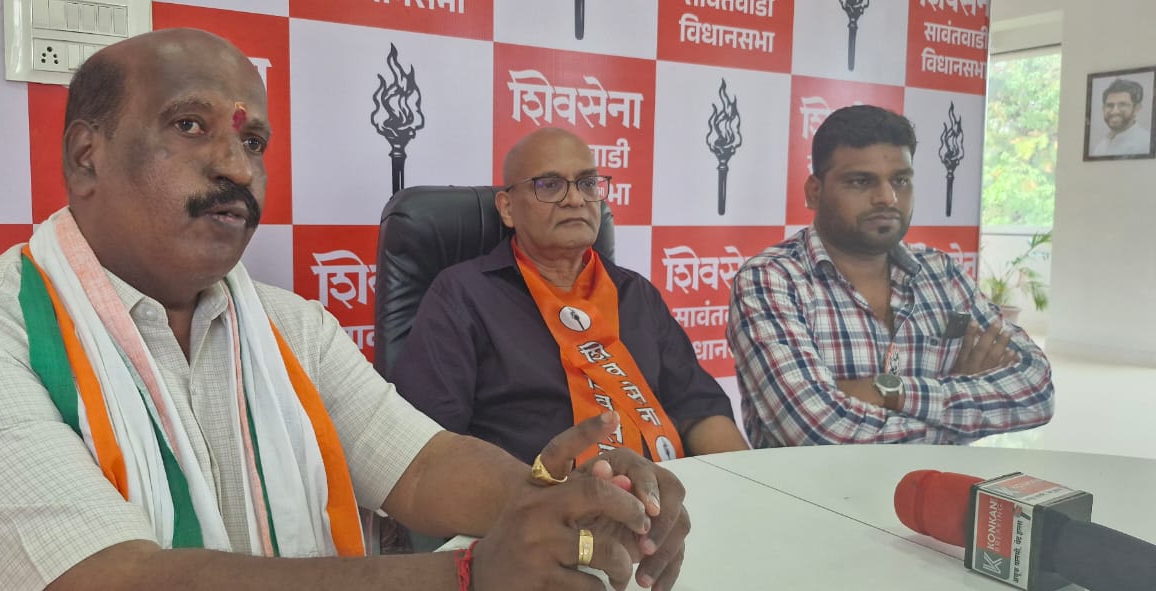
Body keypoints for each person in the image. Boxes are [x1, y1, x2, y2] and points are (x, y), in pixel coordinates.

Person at [0, 29, 691, 591]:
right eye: (190, 126)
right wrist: (468, 575)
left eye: (253, 142)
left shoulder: (290, 326)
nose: (236, 167)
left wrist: (579, 500)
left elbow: (420, 464)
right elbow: (112, 577)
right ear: (86, 157)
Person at [391, 127, 749, 468]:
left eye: (588, 183)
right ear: (507, 208)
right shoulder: (463, 296)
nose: (576, 199)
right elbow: (431, 447)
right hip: (539, 500)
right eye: (550, 185)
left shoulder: (635, 293)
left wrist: (751, 487)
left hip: (666, 495)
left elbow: (699, 410)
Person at [727, 105, 1054, 448]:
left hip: (937, 480)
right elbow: (820, 431)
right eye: (860, 182)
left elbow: (1037, 390)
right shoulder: (772, 280)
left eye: (900, 180)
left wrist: (893, 392)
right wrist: (960, 407)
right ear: (814, 192)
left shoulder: (940, 272)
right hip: (814, 483)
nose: (887, 198)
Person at [1092, 78, 1152, 157]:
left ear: (1137, 109)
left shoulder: (1147, 144)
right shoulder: (1100, 148)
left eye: (1122, 105)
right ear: (1103, 109)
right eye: (1110, 105)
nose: (1114, 111)